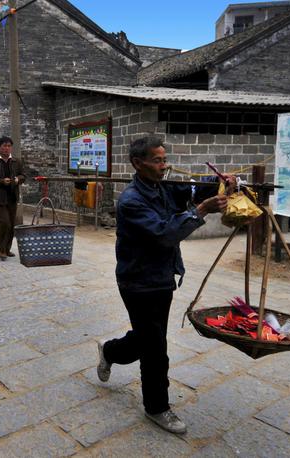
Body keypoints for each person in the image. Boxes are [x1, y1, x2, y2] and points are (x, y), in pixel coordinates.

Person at [96, 136, 235, 435]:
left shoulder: (164, 187)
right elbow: (165, 234)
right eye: (158, 160)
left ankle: (109, 351)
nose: (165, 165)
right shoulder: (132, 200)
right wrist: (201, 211)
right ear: (138, 163)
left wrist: (221, 182)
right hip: (137, 281)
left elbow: (194, 188)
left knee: (149, 337)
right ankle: (157, 407)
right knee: (156, 347)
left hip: (163, 277)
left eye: (165, 159)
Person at [0, 136, 25, 261]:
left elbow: (23, 175)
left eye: (9, 146)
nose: (7, 148)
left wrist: (18, 179)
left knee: (12, 224)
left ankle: (7, 249)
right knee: (4, 223)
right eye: (4, 146)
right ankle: (2, 250)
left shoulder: (17, 162)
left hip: (12, 197)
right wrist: (2, 181)